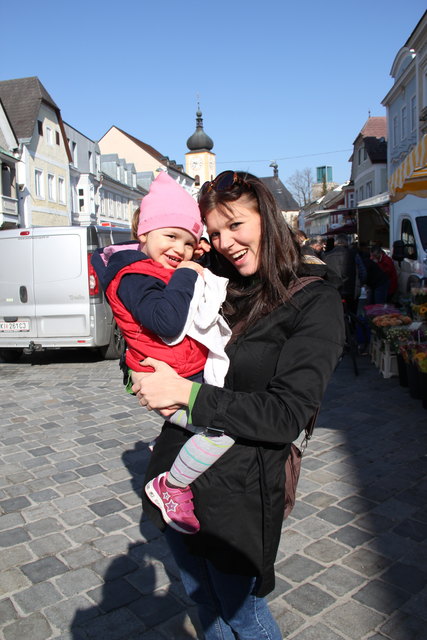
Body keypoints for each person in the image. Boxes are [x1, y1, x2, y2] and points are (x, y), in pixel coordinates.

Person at [132, 170, 345, 640]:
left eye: (236, 225)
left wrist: (185, 395)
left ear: (266, 218)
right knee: (204, 603)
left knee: (241, 613)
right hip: (177, 476)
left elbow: (286, 414)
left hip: (241, 490)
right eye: (215, 232)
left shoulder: (315, 302)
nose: (225, 241)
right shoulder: (218, 282)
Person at [92, 172, 234, 536]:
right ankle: (171, 486)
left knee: (214, 421)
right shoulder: (134, 276)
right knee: (223, 433)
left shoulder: (153, 267)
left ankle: (174, 440)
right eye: (170, 236)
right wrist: (187, 272)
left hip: (180, 373)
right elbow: (167, 322)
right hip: (167, 379)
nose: (180, 249)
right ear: (144, 234)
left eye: (188, 243)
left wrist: (193, 258)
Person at [324, 233, 358, 312]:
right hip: (350, 290)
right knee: (352, 315)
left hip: (334, 290)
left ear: (335, 242)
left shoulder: (327, 256)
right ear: (347, 242)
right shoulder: (354, 255)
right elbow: (362, 273)